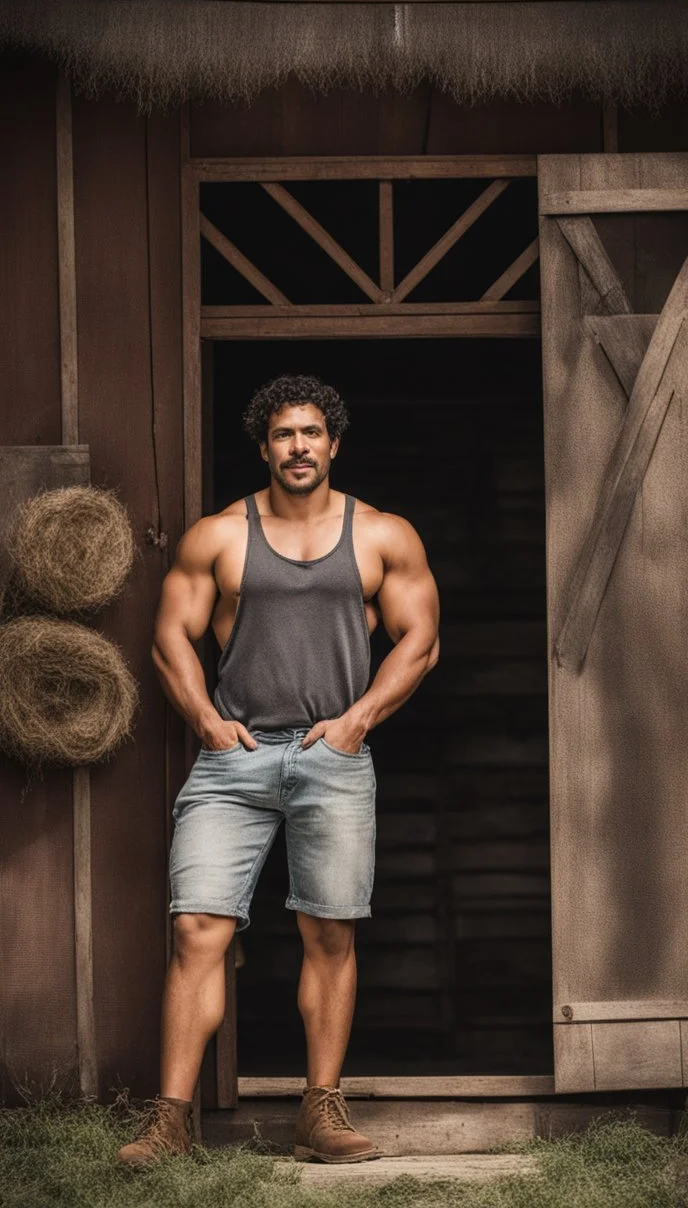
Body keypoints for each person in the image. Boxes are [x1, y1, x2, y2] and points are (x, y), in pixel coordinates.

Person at [117, 372, 440, 1167]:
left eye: (312, 433)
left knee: (329, 933)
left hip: (333, 760)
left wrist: (355, 723)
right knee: (197, 926)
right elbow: (170, 640)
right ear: (264, 447)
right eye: (284, 435)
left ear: (334, 443)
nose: (299, 447)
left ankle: (319, 1112)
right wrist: (208, 724)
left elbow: (420, 640)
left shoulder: (383, 536)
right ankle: (170, 1122)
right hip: (237, 761)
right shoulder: (219, 536)